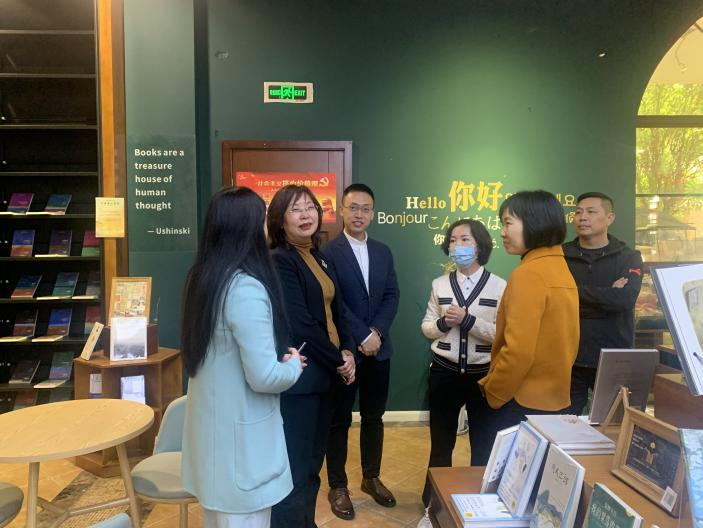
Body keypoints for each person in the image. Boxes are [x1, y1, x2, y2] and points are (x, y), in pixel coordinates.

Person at [180, 187, 305, 528]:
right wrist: (293, 366)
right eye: (262, 220)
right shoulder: (246, 289)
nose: (267, 228)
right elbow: (264, 377)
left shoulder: (204, 280)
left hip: (215, 447)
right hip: (241, 455)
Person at [267, 185, 356, 528]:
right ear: (280, 219)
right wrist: (338, 359)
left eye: (310, 207)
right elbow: (301, 324)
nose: (305, 215)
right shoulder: (280, 260)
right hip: (302, 380)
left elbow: (338, 312)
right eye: (295, 209)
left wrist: (348, 350)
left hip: (327, 377)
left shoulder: (320, 257)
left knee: (313, 464)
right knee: (295, 467)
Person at [323, 183, 400, 520]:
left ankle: (371, 477)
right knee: (338, 420)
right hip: (345, 353)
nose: (359, 214)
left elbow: (392, 295)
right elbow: (334, 302)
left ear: (373, 213)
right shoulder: (328, 252)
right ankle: (337, 485)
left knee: (373, 417)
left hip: (379, 350)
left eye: (365, 208)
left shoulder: (383, 251)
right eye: (353, 207)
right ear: (341, 210)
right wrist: (361, 335)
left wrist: (377, 332)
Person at [420, 218, 506, 506]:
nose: (457, 246)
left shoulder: (499, 286)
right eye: (453, 240)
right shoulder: (439, 284)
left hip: (483, 376)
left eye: (465, 239)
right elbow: (427, 327)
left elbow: (501, 334)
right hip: (443, 374)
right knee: (440, 443)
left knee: (483, 444)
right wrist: (444, 323)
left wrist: (468, 321)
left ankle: (479, 504)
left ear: (480, 246)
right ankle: (433, 505)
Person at [479, 190, 579, 436]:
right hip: (553, 399)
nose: (502, 232)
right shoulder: (559, 267)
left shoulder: (528, 274)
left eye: (508, 223)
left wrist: (494, 392)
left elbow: (518, 350)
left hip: (519, 401)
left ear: (534, 223)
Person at [563, 192, 643, 415]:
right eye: (578, 212)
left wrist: (574, 292)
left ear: (610, 218)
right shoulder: (561, 255)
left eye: (591, 212)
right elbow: (556, 299)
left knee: (613, 423)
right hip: (570, 357)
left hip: (614, 356)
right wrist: (608, 294)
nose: (582, 217)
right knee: (564, 424)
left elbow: (625, 299)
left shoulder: (629, 257)